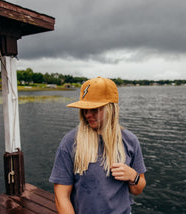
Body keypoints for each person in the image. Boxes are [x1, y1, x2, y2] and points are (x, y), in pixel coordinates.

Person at [49, 77, 146, 214]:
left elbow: (138, 189)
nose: (88, 114)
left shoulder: (130, 141)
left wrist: (133, 176)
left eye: (94, 109)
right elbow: (61, 196)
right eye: (85, 109)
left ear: (111, 108)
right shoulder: (70, 142)